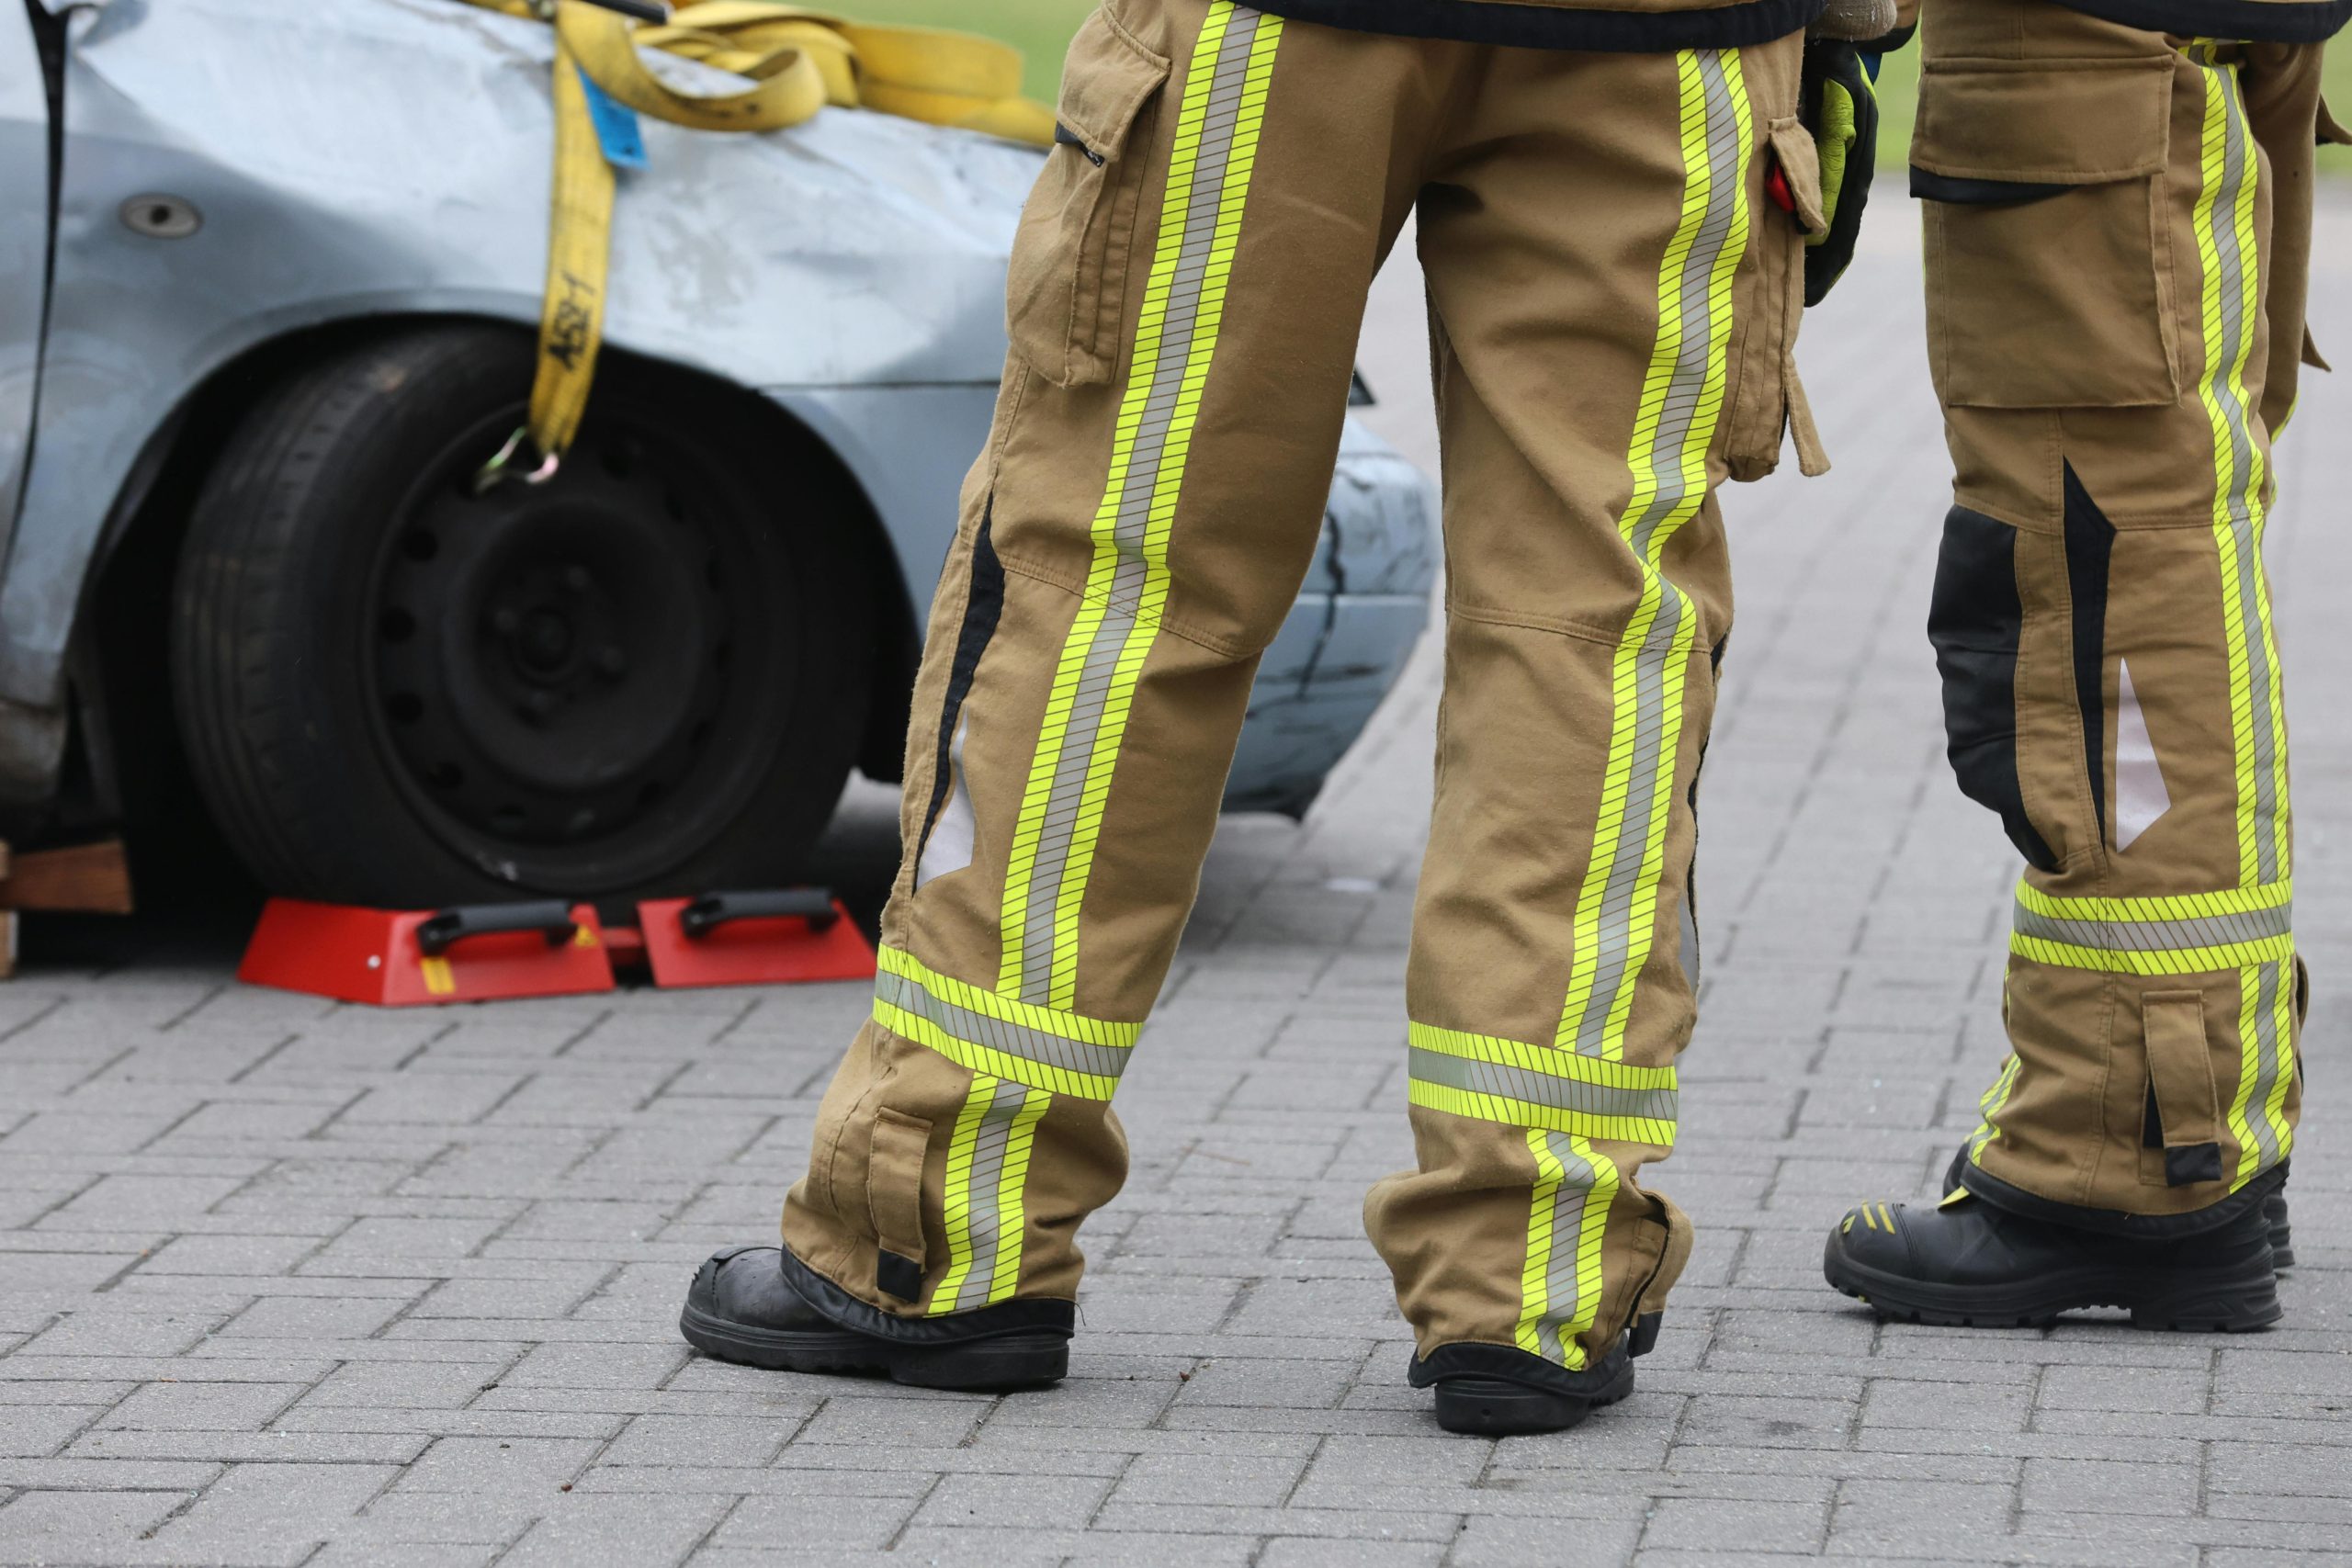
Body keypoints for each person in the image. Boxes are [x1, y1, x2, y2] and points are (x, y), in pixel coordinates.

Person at [679, 0, 1886, 1437]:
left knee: (1117, 582)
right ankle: (1536, 1273)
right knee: (1593, 640)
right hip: (1670, 40)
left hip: (1280, 35)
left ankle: (940, 1222)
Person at [1824, 0, 2344, 1329]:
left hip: (2089, 69)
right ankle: (2190, 1126)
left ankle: (2129, 1165)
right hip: (2149, 67)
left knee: (2106, 585)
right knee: (2144, 562)